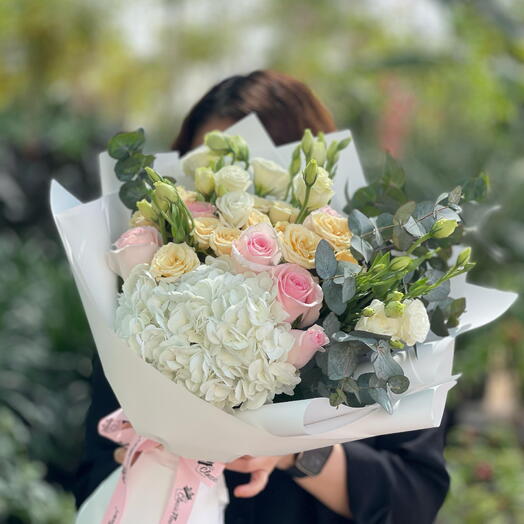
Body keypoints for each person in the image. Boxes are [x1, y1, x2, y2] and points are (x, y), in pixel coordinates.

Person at [74, 70, 450, 524]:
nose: (224, 193)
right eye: (203, 172)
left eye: (250, 178)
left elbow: (415, 498)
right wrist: (156, 445)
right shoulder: (139, 299)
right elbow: (93, 472)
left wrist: (293, 453)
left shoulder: (379, 308)